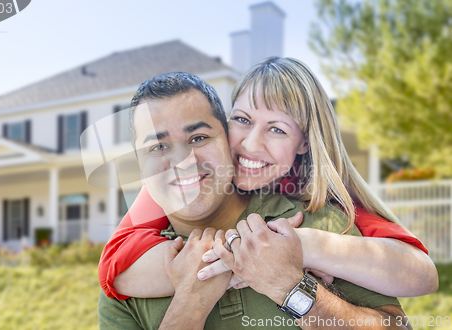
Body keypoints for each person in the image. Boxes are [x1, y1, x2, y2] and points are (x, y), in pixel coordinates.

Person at [98, 58, 437, 301]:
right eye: (243, 120)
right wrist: (243, 257)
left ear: (305, 142)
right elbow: (114, 263)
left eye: (276, 129)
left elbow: (422, 274)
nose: (250, 143)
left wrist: (303, 246)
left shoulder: (322, 197)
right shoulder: (187, 177)